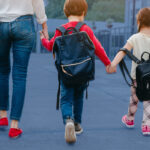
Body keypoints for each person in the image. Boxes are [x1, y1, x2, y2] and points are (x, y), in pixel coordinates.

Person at [40, 0, 112, 143]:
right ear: (83, 12)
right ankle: (77, 124)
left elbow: (50, 46)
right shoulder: (86, 29)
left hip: (66, 73)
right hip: (83, 72)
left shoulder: (61, 29)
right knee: (78, 97)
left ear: (66, 12)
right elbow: (98, 48)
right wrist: (108, 64)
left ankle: (68, 120)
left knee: (66, 98)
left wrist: (43, 39)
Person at [0, 0, 48, 138]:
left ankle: (2, 115)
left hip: (1, 23)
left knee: (2, 71)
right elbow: (37, 2)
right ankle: (14, 126)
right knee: (19, 75)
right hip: (24, 23)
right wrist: (44, 25)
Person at [107, 8, 150, 135]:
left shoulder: (135, 38)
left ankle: (130, 119)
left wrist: (113, 64)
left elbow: (123, 51)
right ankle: (147, 126)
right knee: (148, 99)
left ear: (138, 21)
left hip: (137, 77)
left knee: (134, 98)